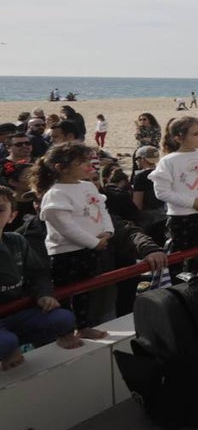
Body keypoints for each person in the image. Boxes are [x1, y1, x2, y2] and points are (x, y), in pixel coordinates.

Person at [34, 143, 113, 339]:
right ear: (61, 168)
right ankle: (65, 332)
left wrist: (108, 232)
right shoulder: (56, 193)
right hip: (66, 253)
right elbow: (65, 226)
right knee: (65, 293)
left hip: (93, 249)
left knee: (85, 291)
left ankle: (83, 326)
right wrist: (93, 242)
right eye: (81, 163)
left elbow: (102, 210)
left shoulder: (87, 186)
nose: (88, 166)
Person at [0, 186, 82, 370]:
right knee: (6, 343)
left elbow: (38, 273)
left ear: (12, 216)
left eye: (0, 209)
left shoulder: (16, 241)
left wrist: (44, 294)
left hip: (19, 312)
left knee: (63, 319)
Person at [150, 117, 198, 276]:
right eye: (195, 134)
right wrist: (191, 202)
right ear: (178, 137)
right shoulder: (168, 161)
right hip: (181, 217)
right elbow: (162, 191)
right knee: (180, 257)